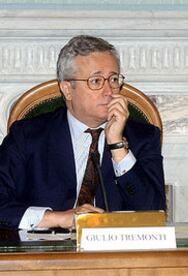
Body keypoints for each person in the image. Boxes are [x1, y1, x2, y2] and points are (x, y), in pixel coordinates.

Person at [0, 35, 165, 229]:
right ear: (67, 89)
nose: (109, 91)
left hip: (117, 255)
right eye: (96, 81)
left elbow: (154, 214)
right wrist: (60, 219)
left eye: (113, 79)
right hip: (46, 254)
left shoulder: (143, 137)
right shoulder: (28, 136)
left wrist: (117, 144)